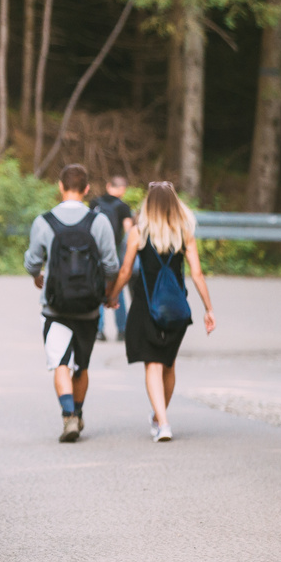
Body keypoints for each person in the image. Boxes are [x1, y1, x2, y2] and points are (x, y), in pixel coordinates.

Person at [106, 182, 216, 442]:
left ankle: (163, 423)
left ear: (148, 204)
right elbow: (197, 274)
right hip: (177, 306)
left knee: (153, 364)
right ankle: (159, 417)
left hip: (147, 305)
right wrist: (208, 309)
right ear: (174, 204)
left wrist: (111, 296)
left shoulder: (139, 232)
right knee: (168, 364)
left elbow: (125, 271)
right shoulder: (184, 233)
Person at [23, 163, 119, 443]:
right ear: (87, 189)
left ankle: (69, 418)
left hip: (55, 306)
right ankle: (78, 410)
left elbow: (32, 261)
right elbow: (111, 265)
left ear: (61, 187)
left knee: (60, 363)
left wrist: (36, 276)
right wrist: (106, 293)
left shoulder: (44, 221)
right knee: (82, 366)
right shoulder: (98, 221)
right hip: (89, 307)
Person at [91, 176, 135, 341]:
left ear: (109, 186)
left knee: (98, 288)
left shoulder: (95, 203)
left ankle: (98, 330)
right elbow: (129, 232)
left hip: (96, 252)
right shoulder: (123, 207)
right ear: (122, 189)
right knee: (118, 288)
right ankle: (122, 330)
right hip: (114, 253)